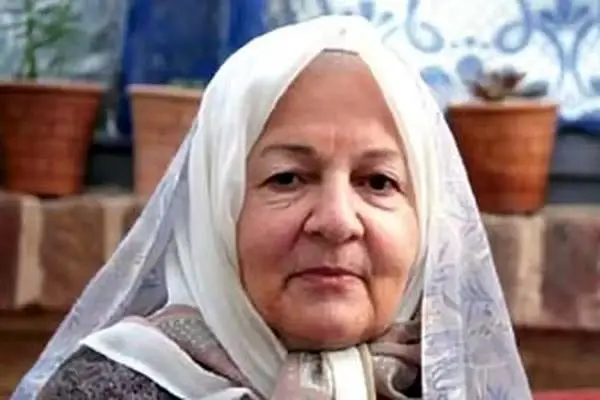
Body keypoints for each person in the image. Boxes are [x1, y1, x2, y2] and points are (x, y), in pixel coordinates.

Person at [12, 15, 532, 400]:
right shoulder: (107, 389)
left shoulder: (454, 384)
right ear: (217, 210)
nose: (336, 221)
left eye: (378, 182)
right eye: (287, 178)